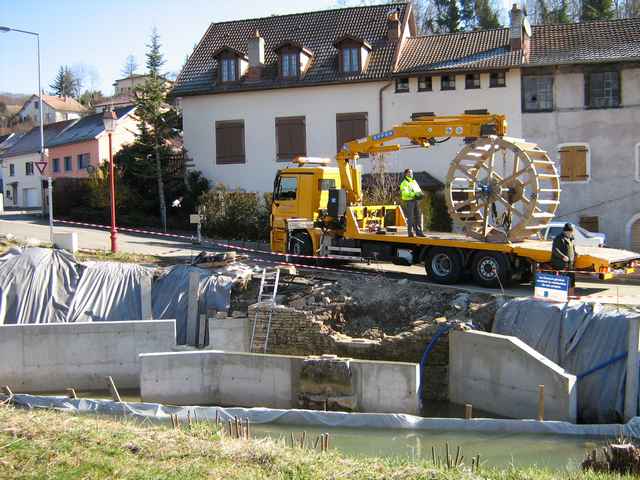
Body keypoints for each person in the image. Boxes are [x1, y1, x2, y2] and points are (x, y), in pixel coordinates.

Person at [551, 222, 577, 293]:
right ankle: (561, 296)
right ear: (565, 231)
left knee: (571, 281)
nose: (570, 233)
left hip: (570, 265)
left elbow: (573, 249)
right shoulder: (559, 238)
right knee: (562, 282)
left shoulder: (571, 239)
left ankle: (570, 296)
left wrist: (575, 255)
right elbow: (555, 250)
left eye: (571, 232)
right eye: (568, 232)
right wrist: (563, 256)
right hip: (561, 265)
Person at [399, 168, 425, 237]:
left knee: (418, 217)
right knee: (410, 218)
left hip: (415, 200)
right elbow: (405, 194)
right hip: (409, 201)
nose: (411, 174)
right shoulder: (404, 183)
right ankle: (410, 233)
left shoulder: (414, 182)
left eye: (412, 173)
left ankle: (419, 232)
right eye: (410, 173)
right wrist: (414, 194)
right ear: (406, 174)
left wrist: (421, 194)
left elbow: (418, 190)